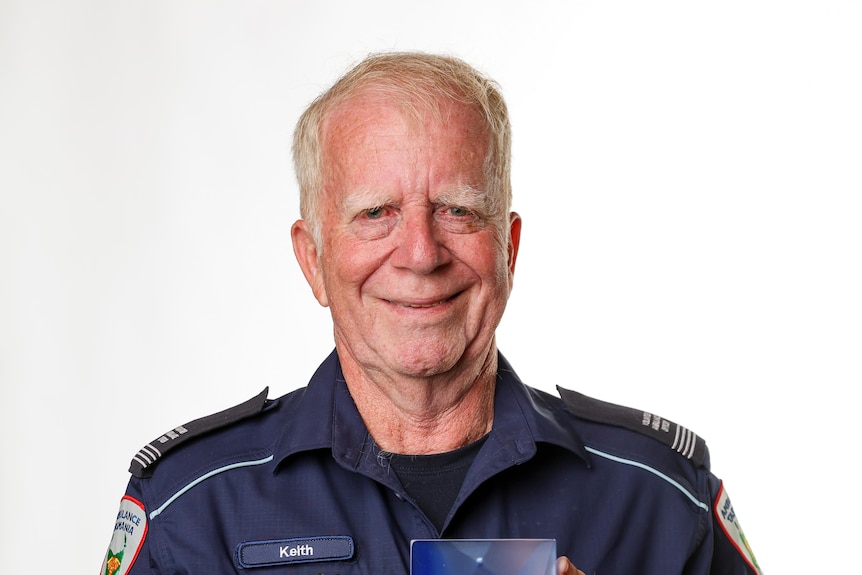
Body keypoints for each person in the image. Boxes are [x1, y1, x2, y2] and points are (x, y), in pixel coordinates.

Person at [100, 52, 761, 575]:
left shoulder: (662, 496)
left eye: (458, 209)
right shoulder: (189, 504)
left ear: (508, 245)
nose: (419, 252)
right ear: (313, 259)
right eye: (375, 213)